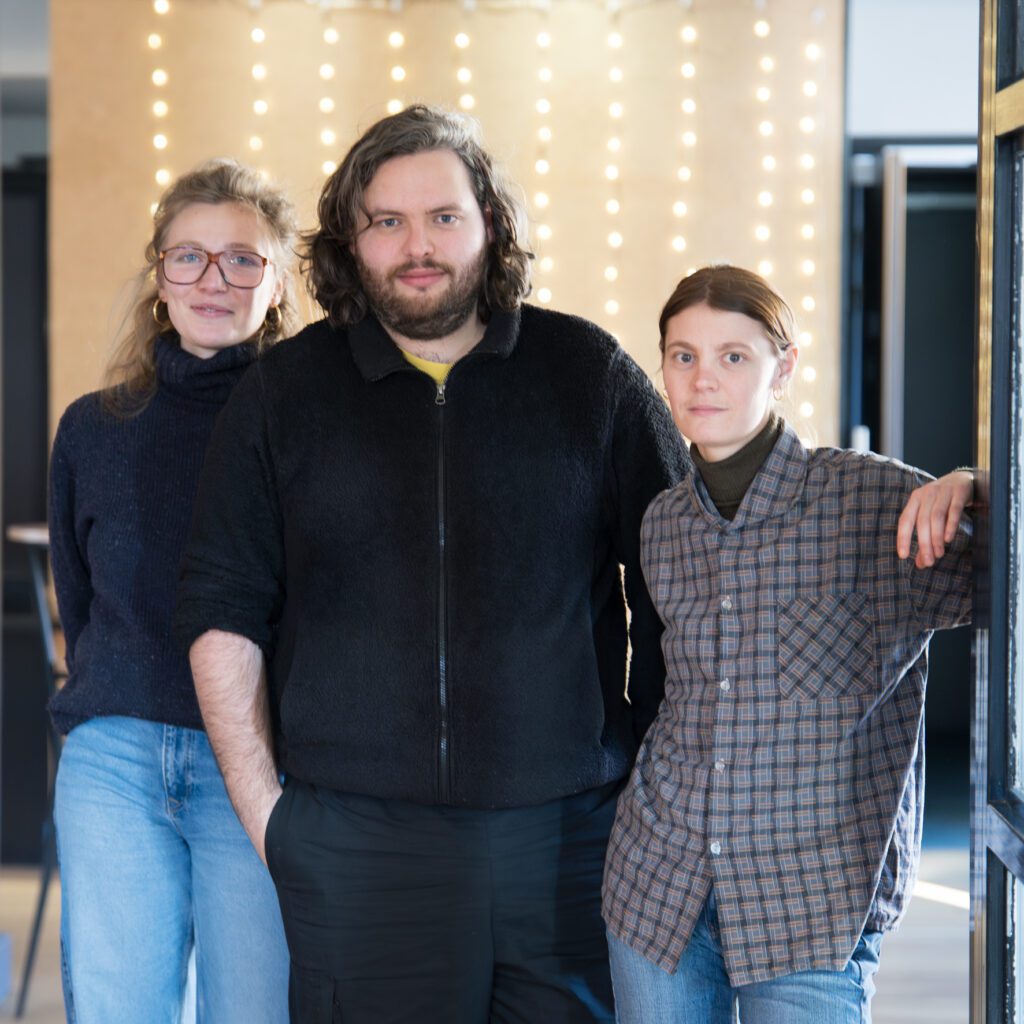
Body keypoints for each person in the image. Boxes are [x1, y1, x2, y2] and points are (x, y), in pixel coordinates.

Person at [173, 104, 689, 1023]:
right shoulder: (281, 395)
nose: (420, 245)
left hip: (564, 839)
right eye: (388, 221)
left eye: (445, 217)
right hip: (359, 845)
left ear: (490, 226)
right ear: (351, 239)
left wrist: (644, 785)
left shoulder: (589, 374)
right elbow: (223, 609)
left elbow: (686, 585)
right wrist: (272, 823)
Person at [601, 264, 973, 1023]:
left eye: (733, 356)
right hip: (658, 891)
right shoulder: (663, 524)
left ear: (785, 366)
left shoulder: (875, 501)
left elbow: (1007, 578)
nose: (704, 379)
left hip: (811, 906)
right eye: (683, 356)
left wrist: (980, 482)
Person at [49, 159, 298, 1023]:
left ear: (279, 283)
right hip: (112, 760)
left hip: (258, 769)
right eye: (187, 257)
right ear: (160, 276)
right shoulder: (92, 428)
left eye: (241, 259)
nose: (212, 280)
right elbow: (78, 608)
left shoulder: (309, 427)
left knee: (255, 1011)